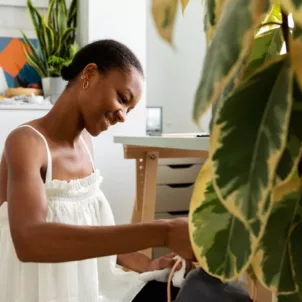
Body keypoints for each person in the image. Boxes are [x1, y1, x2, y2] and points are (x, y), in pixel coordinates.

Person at [0, 39, 195, 302]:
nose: (123, 115)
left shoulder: (86, 144)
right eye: (122, 98)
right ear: (89, 74)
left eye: (129, 109)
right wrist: (163, 231)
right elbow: (30, 241)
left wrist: (145, 263)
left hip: (86, 286)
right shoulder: (26, 143)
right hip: (35, 290)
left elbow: (88, 230)